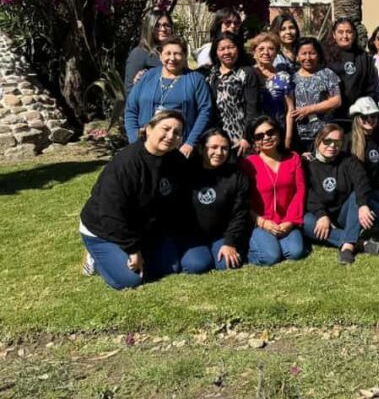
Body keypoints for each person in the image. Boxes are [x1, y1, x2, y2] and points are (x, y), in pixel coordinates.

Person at [79, 110, 186, 290]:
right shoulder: (126, 163)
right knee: (130, 280)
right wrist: (132, 250)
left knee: (171, 267)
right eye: (165, 129)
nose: (170, 136)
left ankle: (125, 254)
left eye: (176, 133)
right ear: (149, 129)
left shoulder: (175, 159)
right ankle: (94, 257)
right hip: (103, 229)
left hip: (141, 229)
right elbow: (110, 213)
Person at [303, 123, 379, 264]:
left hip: (346, 214)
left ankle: (347, 247)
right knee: (305, 222)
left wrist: (363, 205)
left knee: (356, 196)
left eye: (337, 142)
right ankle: (358, 243)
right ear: (318, 141)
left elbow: (362, 181)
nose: (332, 146)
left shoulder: (348, 160)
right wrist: (321, 214)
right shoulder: (308, 165)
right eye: (327, 141)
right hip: (322, 216)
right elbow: (308, 195)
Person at [124, 36, 212, 158]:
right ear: (160, 55)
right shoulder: (146, 77)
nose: (172, 58)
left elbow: (205, 111)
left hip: (179, 148)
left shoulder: (196, 80)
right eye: (168, 53)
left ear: (185, 55)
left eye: (177, 54)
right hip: (146, 146)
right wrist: (134, 141)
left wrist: (190, 142)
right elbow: (131, 109)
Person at [176, 129, 251, 273]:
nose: (219, 152)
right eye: (213, 147)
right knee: (197, 265)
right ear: (202, 148)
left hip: (222, 235)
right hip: (192, 236)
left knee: (226, 264)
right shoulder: (186, 173)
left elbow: (240, 212)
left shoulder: (236, 175)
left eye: (224, 148)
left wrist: (229, 242)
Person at [243, 116, 307, 266]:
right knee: (271, 257)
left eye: (270, 132)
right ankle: (248, 249)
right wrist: (262, 222)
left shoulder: (293, 158)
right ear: (254, 141)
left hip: (287, 220)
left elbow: (300, 191)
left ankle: (275, 243)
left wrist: (290, 221)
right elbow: (243, 199)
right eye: (260, 136)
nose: (266, 138)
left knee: (295, 252)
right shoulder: (248, 164)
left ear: (278, 133)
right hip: (260, 222)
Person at [205, 32, 259, 158]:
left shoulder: (246, 73)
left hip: (240, 138)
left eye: (231, 47)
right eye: (222, 49)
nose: (227, 52)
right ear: (216, 52)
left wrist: (247, 137)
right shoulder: (211, 74)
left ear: (238, 49)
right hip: (216, 137)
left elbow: (252, 108)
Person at [323, 17, 379, 133]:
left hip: (357, 117)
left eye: (349, 32)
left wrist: (366, 113)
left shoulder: (364, 57)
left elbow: (370, 88)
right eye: (340, 32)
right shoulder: (325, 56)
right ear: (334, 35)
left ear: (354, 34)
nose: (345, 36)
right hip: (332, 117)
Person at [291, 37, 342, 154]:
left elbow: (337, 101)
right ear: (297, 56)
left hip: (323, 134)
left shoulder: (327, 74)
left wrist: (309, 109)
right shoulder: (291, 77)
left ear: (318, 55)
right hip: (299, 137)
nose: (308, 58)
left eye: (312, 53)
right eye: (303, 54)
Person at [347, 96, 379, 221]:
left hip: (374, 188)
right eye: (365, 117)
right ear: (357, 119)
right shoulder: (348, 141)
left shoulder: (378, 139)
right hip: (356, 192)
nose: (370, 120)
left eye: (373, 116)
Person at [250, 32, 295, 149]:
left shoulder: (282, 77)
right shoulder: (249, 74)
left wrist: (288, 138)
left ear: (276, 53)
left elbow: (290, 109)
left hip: (277, 132)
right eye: (261, 49)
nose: (266, 52)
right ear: (254, 53)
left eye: (271, 49)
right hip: (254, 134)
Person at [124, 9, 173, 91]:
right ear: (149, 28)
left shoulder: (176, 53)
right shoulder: (139, 54)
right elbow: (130, 89)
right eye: (157, 26)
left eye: (166, 25)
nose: (163, 29)